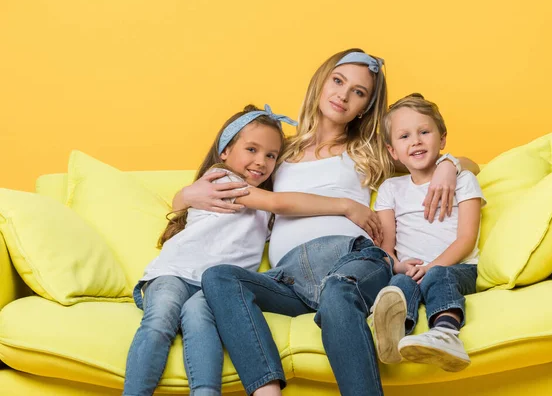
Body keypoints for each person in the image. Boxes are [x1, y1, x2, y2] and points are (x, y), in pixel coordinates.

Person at [173, 49, 480, 396]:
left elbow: (466, 162)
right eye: (338, 81)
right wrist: (185, 196)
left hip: (352, 259)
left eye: (359, 92)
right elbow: (230, 187)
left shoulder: (368, 150)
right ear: (321, 82)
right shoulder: (279, 153)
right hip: (290, 278)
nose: (343, 95)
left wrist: (447, 166)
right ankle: (266, 389)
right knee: (220, 278)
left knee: (338, 291)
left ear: (365, 106)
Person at [123, 104, 380, 396]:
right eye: (252, 150)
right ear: (224, 152)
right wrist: (346, 205)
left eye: (271, 155)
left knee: (200, 325)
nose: (261, 161)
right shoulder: (224, 180)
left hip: (211, 287)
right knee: (160, 320)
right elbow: (280, 203)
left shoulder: (261, 208)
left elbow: (276, 212)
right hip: (176, 271)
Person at [370, 93, 485, 373]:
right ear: (393, 151)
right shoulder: (390, 189)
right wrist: (397, 264)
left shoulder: (463, 179)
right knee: (398, 283)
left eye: (424, 132)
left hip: (457, 268)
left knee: (437, 276)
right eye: (405, 136)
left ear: (442, 139)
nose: (416, 141)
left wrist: (432, 266)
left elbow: (466, 239)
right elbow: (387, 244)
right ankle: (394, 336)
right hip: (413, 271)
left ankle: (446, 333)